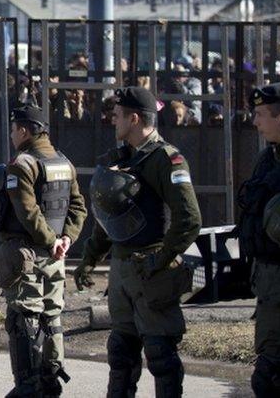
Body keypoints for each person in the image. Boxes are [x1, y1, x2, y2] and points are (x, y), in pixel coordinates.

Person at [74, 87, 201, 397]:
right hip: (122, 271)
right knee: (120, 352)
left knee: (160, 354)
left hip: (151, 272)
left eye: (117, 116)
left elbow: (189, 219)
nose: (112, 120)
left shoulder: (165, 159)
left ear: (134, 118)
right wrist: (90, 258)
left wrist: (162, 258)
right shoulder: (122, 158)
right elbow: (110, 217)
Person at [0, 104, 88, 397]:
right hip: (55, 257)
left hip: (27, 254)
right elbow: (78, 207)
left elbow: (27, 211)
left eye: (15, 130)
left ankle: (27, 387)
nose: (12, 135)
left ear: (25, 130)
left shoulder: (22, 164)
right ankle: (50, 380)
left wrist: (50, 239)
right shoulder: (63, 162)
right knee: (51, 317)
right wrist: (66, 238)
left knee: (24, 318)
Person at [236, 83, 280, 397]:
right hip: (270, 285)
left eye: (260, 114)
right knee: (270, 377)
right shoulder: (268, 158)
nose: (255, 122)